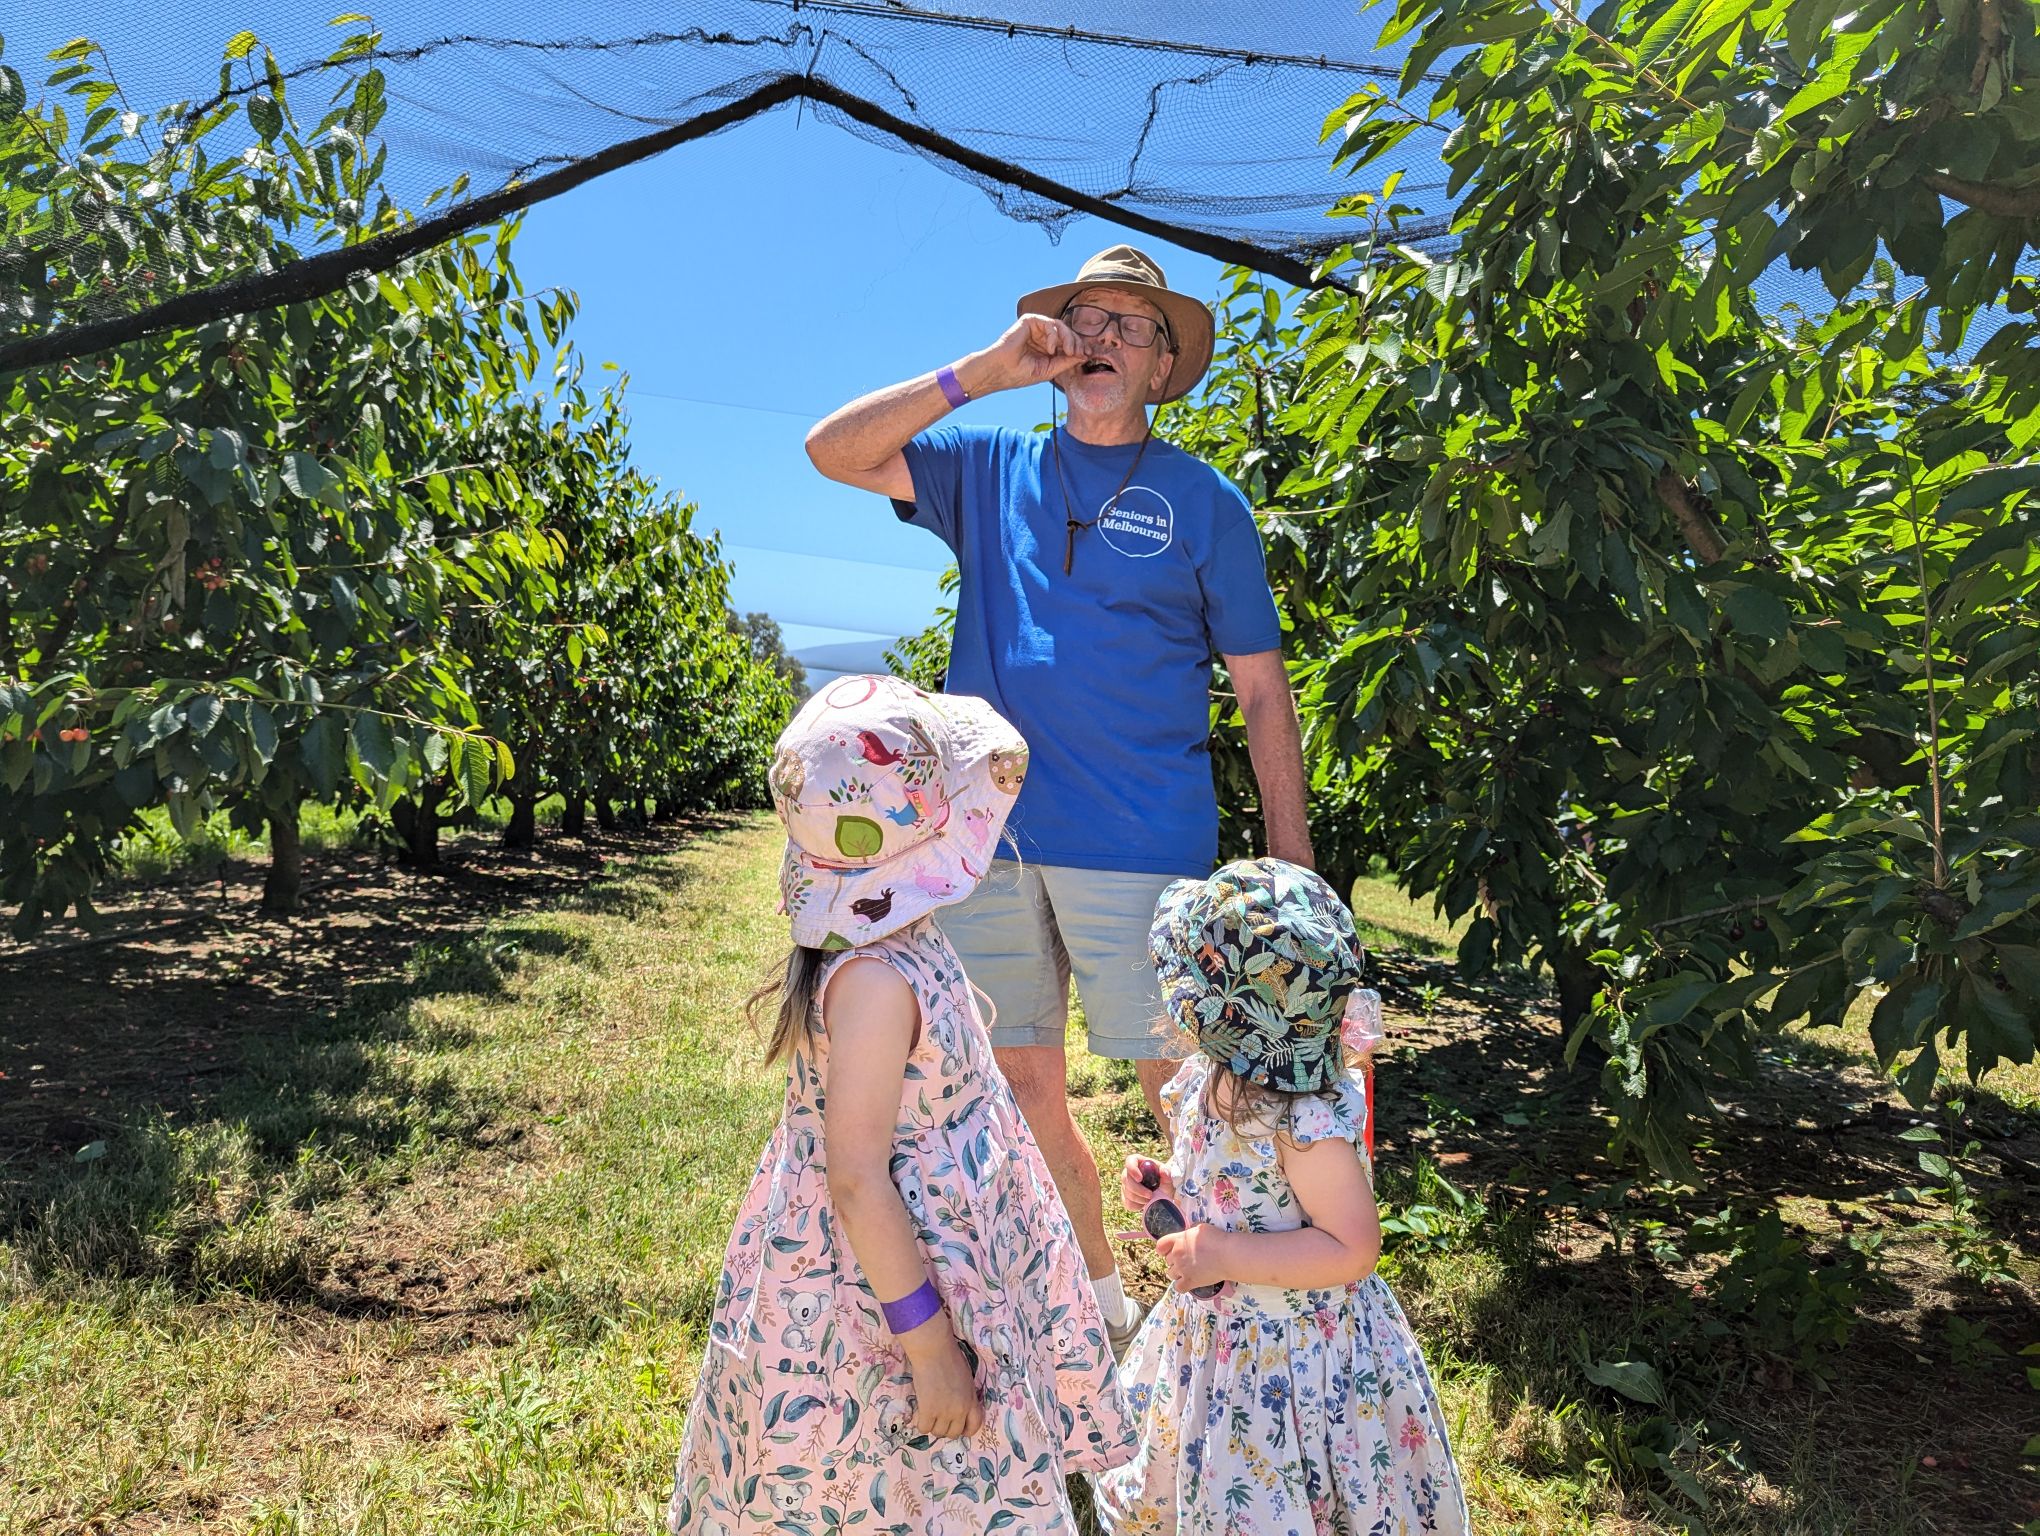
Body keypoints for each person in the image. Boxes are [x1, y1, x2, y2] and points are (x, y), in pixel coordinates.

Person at [806, 245, 1314, 1351]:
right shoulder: (990, 465)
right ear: (1054, 348)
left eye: (1133, 325)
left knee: (1184, 1088)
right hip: (986, 846)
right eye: (1085, 320)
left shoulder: (1205, 502)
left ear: (1166, 361)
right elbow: (831, 451)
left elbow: (1264, 693)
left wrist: (1292, 871)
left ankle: (1231, 1310)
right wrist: (979, 373)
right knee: (1024, 1078)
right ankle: (1100, 1304)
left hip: (1144, 840)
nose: (1103, 341)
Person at [665, 673, 1134, 1534]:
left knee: (935, 1470)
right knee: (884, 1445)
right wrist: (926, 1345)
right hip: (893, 1275)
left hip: (945, 1240)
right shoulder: (876, 980)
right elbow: (856, 1179)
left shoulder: (895, 938)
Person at [1096, 858, 1470, 1535]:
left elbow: (1351, 1247)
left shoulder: (1303, 1122)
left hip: (1295, 1353)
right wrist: (1170, 1190)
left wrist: (1221, 1251)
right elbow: (1230, 1187)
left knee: (1287, 1479)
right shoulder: (1206, 1079)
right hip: (1220, 1340)